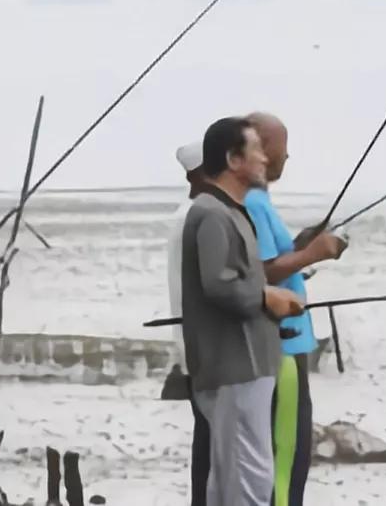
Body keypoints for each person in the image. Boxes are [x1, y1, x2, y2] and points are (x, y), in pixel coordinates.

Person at [181, 116, 303, 506]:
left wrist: (266, 292)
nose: (265, 159)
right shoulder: (211, 214)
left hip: (250, 364)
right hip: (235, 367)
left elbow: (237, 278)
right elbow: (218, 283)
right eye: (256, 151)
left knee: (240, 479)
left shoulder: (232, 211)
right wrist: (269, 298)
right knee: (246, 481)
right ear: (234, 160)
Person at [242, 112, 345, 506]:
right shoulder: (253, 203)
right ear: (263, 153)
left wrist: (302, 247)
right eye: (283, 149)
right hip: (282, 348)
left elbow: (274, 261)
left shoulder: (258, 202)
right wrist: (314, 254)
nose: (288, 157)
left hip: (288, 345)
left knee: (290, 454)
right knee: (286, 458)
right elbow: (262, 273)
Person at [167, 140, 210, 506]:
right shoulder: (200, 217)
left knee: (208, 441)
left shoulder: (188, 214)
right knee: (213, 446)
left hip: (193, 346)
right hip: (207, 348)